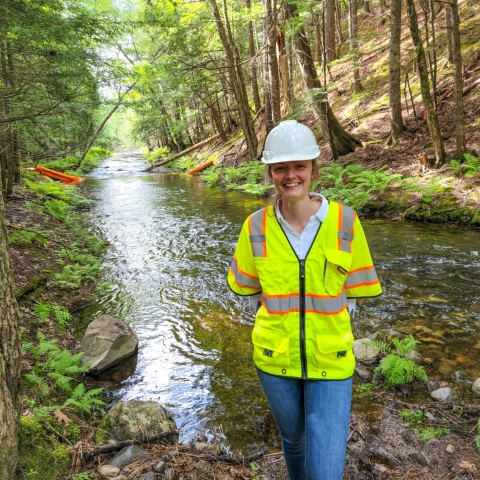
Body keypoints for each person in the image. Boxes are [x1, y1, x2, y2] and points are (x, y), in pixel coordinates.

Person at [227, 120, 382, 480]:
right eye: (281, 167)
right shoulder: (254, 226)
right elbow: (251, 293)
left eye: (299, 166)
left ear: (314, 169)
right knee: (293, 440)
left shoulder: (345, 221)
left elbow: (353, 297)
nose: (290, 175)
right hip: (273, 357)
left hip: (331, 359)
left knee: (326, 469)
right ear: (271, 172)